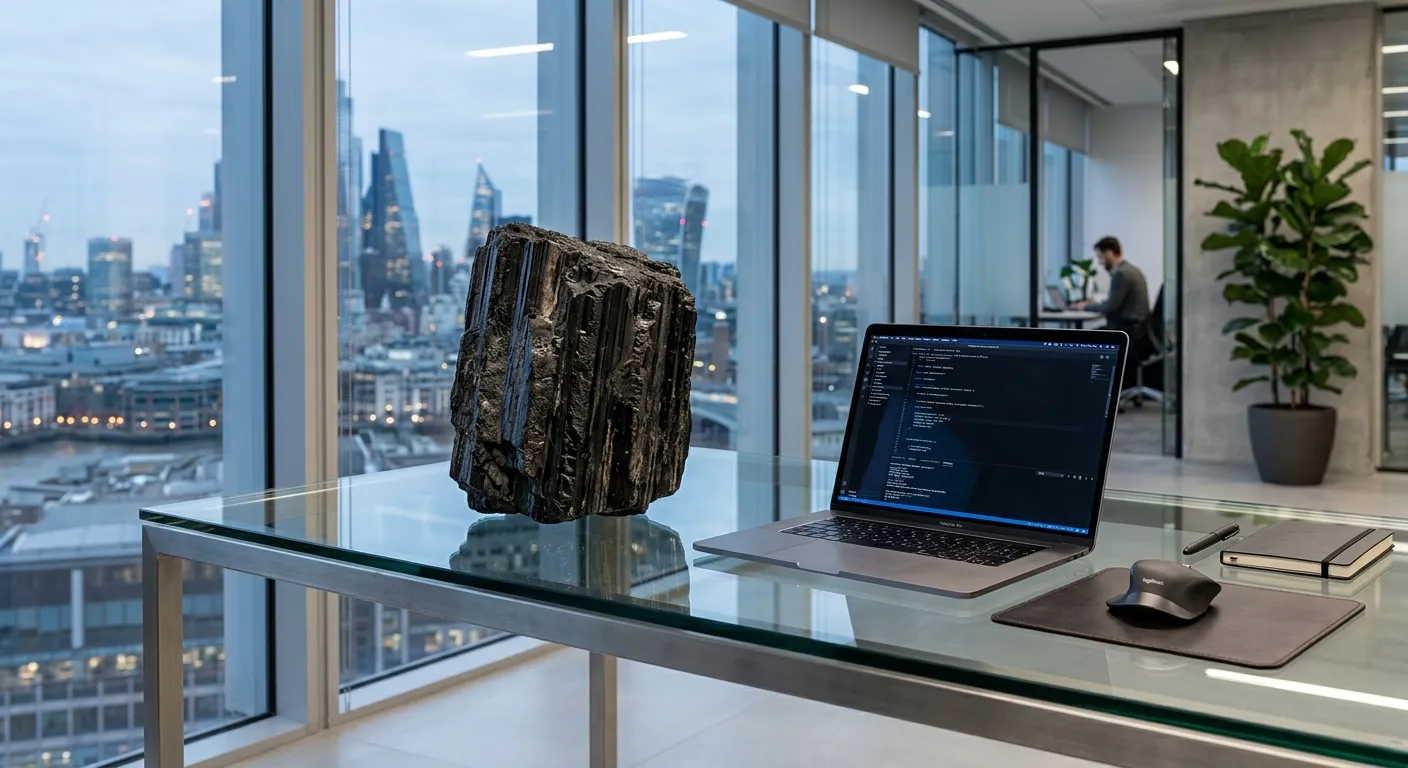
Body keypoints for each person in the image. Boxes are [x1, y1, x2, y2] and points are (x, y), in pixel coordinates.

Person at [1073, 236, 1149, 340]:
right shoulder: (1131, 270)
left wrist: (1085, 307)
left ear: (1108, 254)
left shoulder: (1121, 274)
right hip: (1135, 329)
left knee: (1081, 339)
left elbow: (1110, 308)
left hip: (1125, 331)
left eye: (1100, 257)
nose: (1100, 263)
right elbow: (1114, 303)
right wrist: (1094, 304)